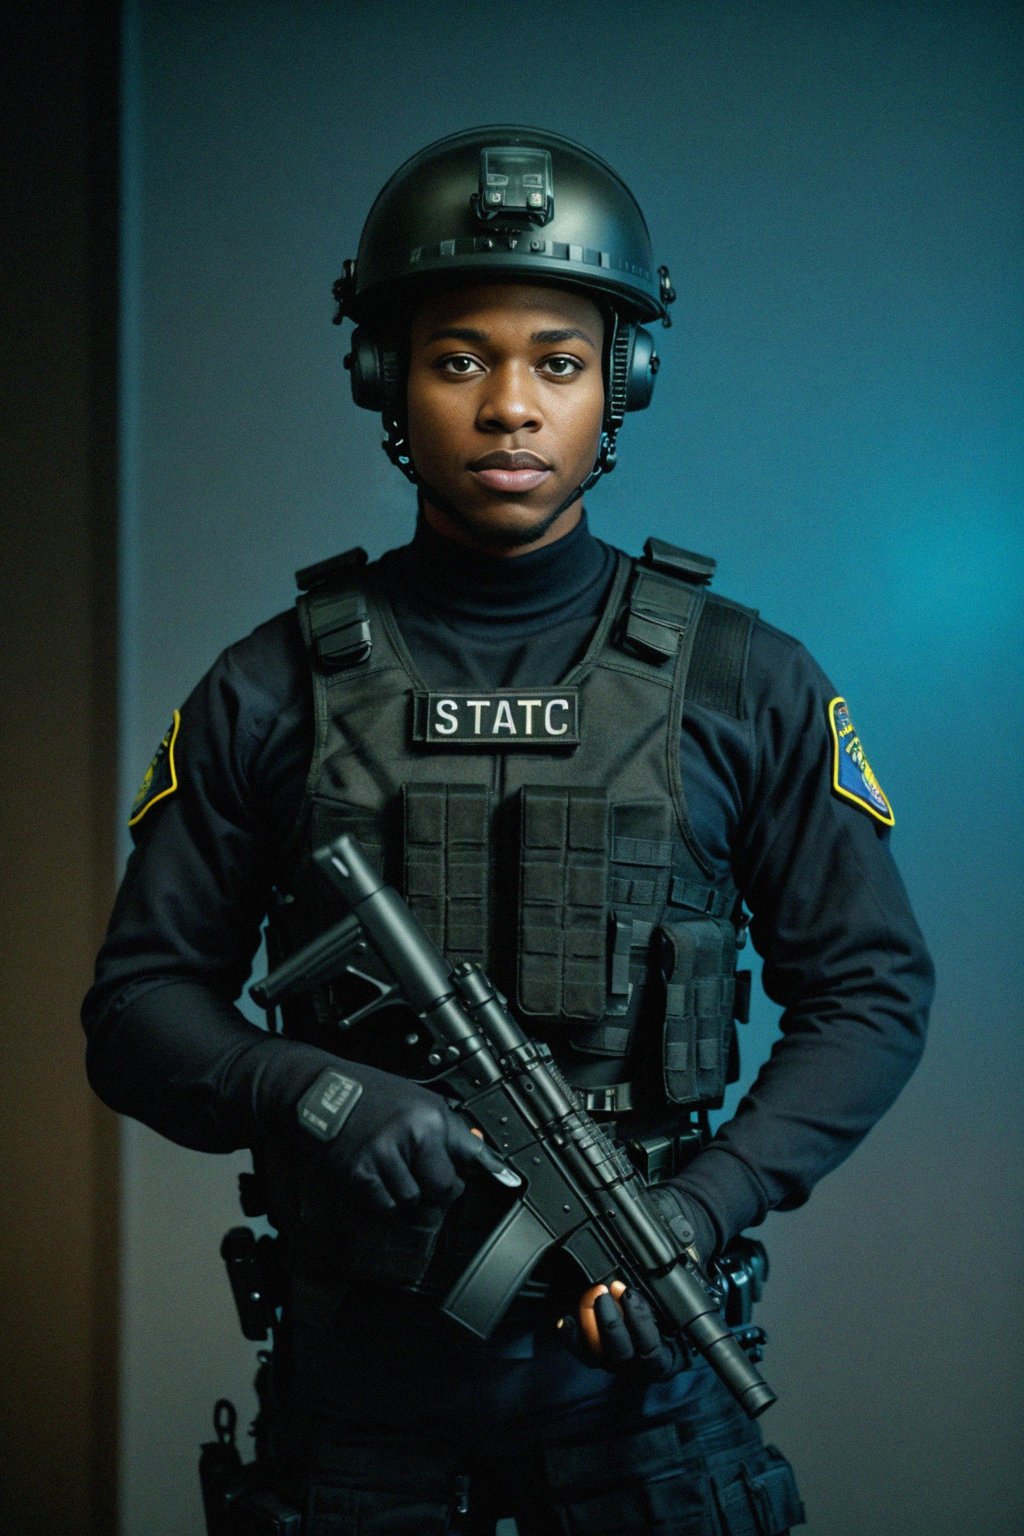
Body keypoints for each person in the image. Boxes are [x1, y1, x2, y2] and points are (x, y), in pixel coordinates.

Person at [83, 126, 934, 1535]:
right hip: (357, 1431)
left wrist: (703, 1206)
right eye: (458, 359)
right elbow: (136, 1009)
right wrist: (319, 1093)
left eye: (558, 360)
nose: (509, 409)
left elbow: (872, 994)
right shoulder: (271, 684)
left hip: (649, 1427)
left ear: (623, 386)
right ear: (386, 383)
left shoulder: (745, 680)